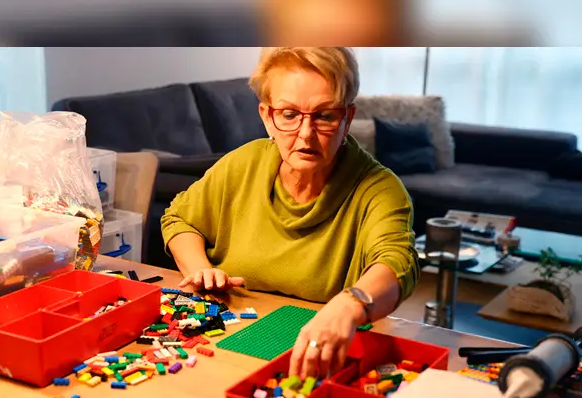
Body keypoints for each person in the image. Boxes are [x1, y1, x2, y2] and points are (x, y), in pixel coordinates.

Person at [161, 47, 419, 379]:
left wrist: (352, 303)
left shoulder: (379, 188)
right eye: (288, 114)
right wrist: (200, 269)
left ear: (347, 119)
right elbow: (179, 218)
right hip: (221, 346)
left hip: (320, 359)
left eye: (325, 116)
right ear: (267, 116)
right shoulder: (242, 164)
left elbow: (399, 263)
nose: (306, 134)